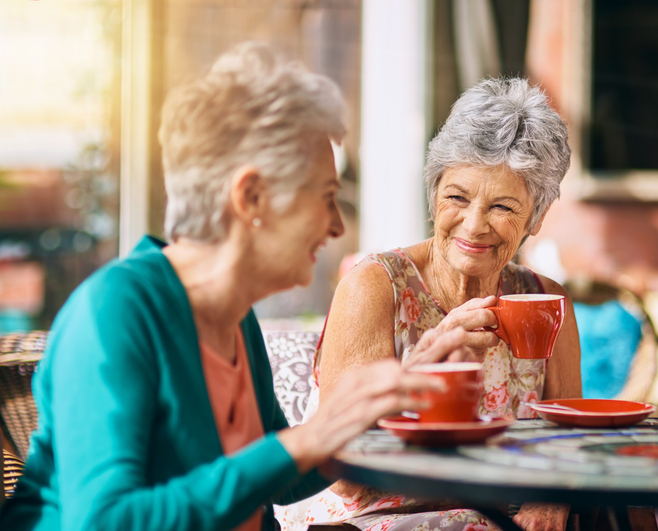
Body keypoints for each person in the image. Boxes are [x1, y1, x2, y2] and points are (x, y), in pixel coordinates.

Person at [0, 42, 457, 531]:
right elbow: (107, 519)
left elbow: (277, 477)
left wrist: (371, 410)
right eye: (326, 198)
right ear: (251, 196)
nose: (336, 227)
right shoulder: (113, 313)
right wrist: (303, 442)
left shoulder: (235, 315)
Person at [277, 78, 582, 531]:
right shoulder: (375, 287)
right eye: (457, 197)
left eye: (502, 207)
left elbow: (572, 442)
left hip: (503, 517)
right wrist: (417, 373)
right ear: (434, 193)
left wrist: (554, 501)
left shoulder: (546, 301)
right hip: (374, 516)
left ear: (534, 219)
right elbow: (339, 473)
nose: (474, 225)